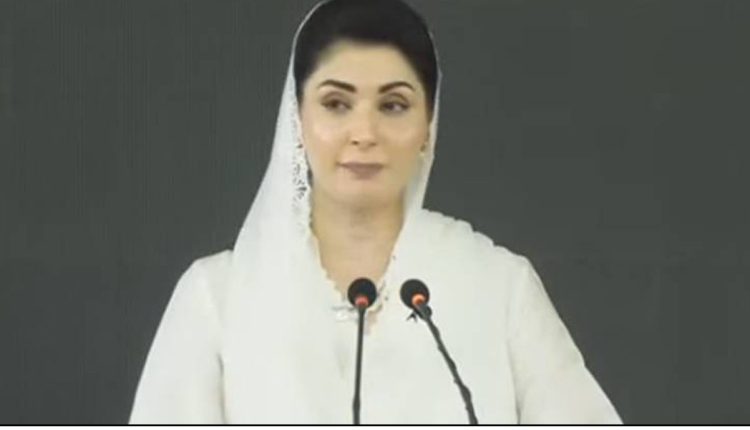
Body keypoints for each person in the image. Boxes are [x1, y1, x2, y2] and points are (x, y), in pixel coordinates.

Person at [129, 0, 622, 424]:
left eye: (393, 106)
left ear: (428, 124)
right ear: (297, 118)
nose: (364, 133)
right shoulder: (216, 299)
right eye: (336, 103)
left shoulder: (500, 287)